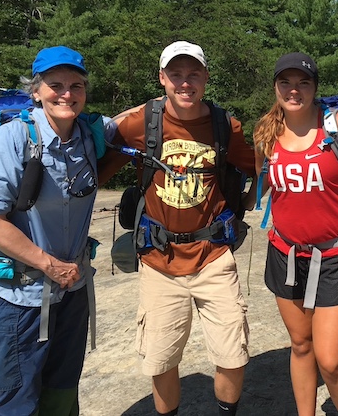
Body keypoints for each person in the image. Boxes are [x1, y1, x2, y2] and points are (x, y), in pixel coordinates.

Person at [99, 40, 255, 416]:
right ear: (162, 78)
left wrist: (247, 203)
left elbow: (256, 165)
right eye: (176, 75)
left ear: (205, 77)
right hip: (159, 260)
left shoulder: (224, 125)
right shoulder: (141, 123)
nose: (185, 83)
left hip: (214, 257)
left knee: (233, 353)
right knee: (161, 359)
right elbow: (94, 171)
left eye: (193, 74)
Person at [0, 46, 101, 415]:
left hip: (70, 294)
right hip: (16, 298)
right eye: (55, 84)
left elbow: (133, 121)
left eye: (76, 85)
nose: (66, 94)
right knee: (11, 403)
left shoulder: (89, 136)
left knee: (61, 397)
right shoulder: (13, 139)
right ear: (36, 90)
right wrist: (49, 264)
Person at [253, 53, 338, 416]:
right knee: (300, 345)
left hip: (336, 257)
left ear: (315, 88)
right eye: (286, 82)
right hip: (286, 253)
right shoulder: (265, 133)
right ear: (275, 86)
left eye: (303, 83)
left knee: (330, 360)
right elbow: (263, 185)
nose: (294, 90)